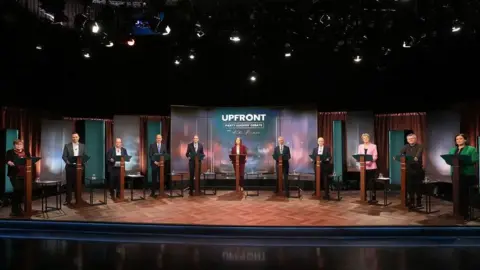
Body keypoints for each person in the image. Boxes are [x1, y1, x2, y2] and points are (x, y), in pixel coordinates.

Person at [448, 133, 478, 219]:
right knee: (457, 194)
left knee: (464, 194)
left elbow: (475, 159)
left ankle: (465, 213)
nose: (458, 140)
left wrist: (463, 161)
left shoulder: (471, 149)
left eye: (460, 139)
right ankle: (457, 212)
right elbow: (450, 160)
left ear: (465, 140)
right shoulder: (453, 150)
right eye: (457, 139)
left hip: (467, 174)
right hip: (455, 174)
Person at [5, 139, 31, 216]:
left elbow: (30, 160)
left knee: (21, 192)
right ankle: (14, 210)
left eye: (20, 144)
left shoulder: (26, 152)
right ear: (14, 145)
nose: (19, 146)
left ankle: (19, 208)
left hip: (25, 175)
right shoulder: (10, 152)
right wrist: (9, 162)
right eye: (17, 144)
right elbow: (7, 160)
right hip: (14, 174)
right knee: (17, 190)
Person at [398, 133, 424, 208]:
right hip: (409, 169)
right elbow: (400, 153)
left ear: (415, 139)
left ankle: (419, 202)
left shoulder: (420, 146)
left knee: (418, 187)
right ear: (407, 140)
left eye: (412, 138)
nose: (410, 140)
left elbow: (418, 155)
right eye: (409, 139)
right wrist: (399, 157)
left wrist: (415, 158)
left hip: (417, 170)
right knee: (409, 186)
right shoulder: (406, 146)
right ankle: (411, 201)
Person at [61, 132, 86, 205]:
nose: (75, 138)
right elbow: (64, 156)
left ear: (79, 137)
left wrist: (83, 162)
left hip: (79, 168)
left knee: (78, 184)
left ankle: (78, 198)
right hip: (70, 167)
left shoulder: (83, 146)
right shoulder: (67, 146)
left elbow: (84, 155)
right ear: (72, 138)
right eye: (73, 137)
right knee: (69, 184)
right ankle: (68, 199)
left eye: (76, 137)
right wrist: (67, 161)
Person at [357, 133, 378, 204]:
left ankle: (373, 198)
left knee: (371, 183)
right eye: (364, 138)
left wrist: (369, 162)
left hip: (372, 167)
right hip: (363, 167)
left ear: (369, 138)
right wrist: (362, 162)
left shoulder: (373, 146)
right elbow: (359, 155)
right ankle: (364, 196)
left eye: (366, 138)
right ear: (362, 139)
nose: (365, 139)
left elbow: (375, 156)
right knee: (363, 182)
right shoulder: (360, 146)